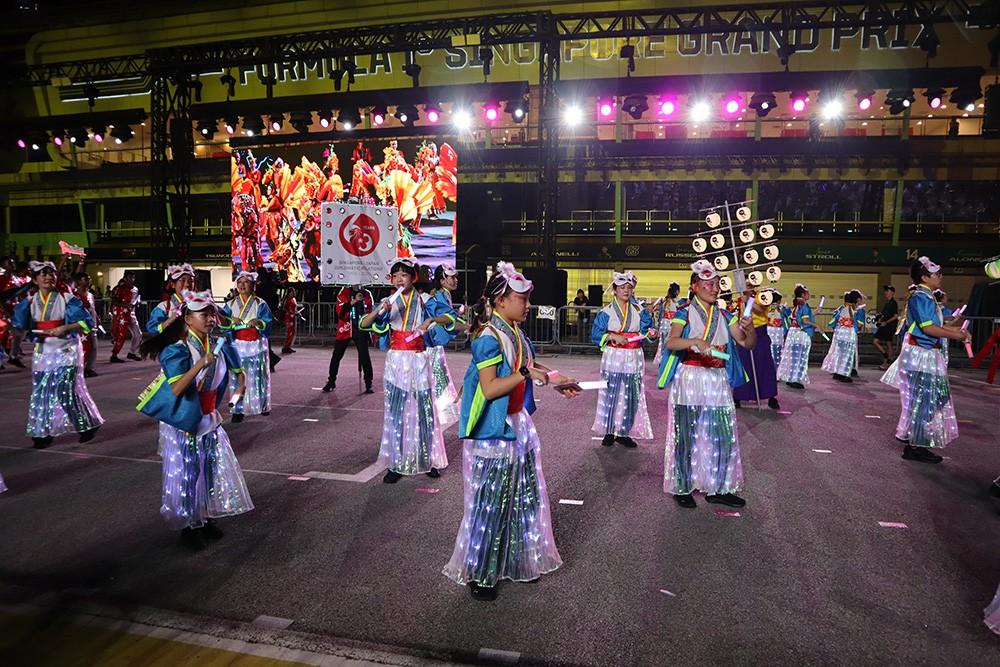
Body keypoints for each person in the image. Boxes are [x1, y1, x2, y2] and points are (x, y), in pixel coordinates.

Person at [443, 260, 578, 601]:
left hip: (518, 424)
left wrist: (560, 380)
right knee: (490, 502)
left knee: (522, 496)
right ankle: (481, 572)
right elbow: (490, 389)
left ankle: (516, 560)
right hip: (495, 431)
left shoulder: (515, 332)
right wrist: (527, 375)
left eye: (528, 298)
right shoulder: (488, 338)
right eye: (522, 298)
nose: (528, 304)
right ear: (500, 301)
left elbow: (530, 365)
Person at [137, 289, 253, 551]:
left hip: (210, 417)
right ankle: (188, 525)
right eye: (204, 315)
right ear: (188, 318)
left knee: (209, 470)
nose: (211, 319)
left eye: (212, 314)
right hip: (185, 421)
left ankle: (205, 516)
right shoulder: (176, 350)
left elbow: (238, 371)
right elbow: (177, 389)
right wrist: (201, 363)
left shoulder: (220, 344)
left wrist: (241, 385)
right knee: (188, 474)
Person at [657, 260, 755, 509]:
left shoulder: (726, 315)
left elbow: (747, 343)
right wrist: (694, 341)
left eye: (717, 284)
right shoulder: (683, 312)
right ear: (695, 286)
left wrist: (751, 327)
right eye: (709, 284)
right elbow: (671, 342)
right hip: (690, 376)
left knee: (723, 435)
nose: (715, 289)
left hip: (717, 377)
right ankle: (682, 486)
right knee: (686, 434)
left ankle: (719, 487)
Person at [360, 258, 451, 483]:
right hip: (397, 360)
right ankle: (397, 463)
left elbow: (450, 317)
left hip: (419, 359)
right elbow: (364, 324)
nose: (400, 279)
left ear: (413, 277)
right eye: (395, 275)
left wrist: (430, 319)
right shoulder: (388, 302)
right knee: (397, 412)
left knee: (425, 412)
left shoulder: (425, 299)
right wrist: (379, 309)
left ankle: (427, 459)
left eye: (404, 274)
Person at [12, 260, 104, 449]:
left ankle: (86, 425)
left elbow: (87, 323)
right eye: (43, 274)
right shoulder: (29, 301)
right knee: (41, 393)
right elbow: (19, 326)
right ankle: (42, 433)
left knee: (65, 391)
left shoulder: (67, 298)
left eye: (51, 273)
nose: (48, 277)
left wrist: (65, 328)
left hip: (67, 349)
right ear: (35, 279)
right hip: (43, 351)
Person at [894, 257, 970, 464]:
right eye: (936, 274)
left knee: (929, 399)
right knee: (927, 400)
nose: (940, 277)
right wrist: (957, 335)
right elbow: (928, 328)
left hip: (924, 354)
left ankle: (914, 438)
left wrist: (956, 331)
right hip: (921, 355)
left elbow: (933, 326)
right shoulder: (922, 297)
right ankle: (916, 446)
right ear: (925, 278)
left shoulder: (925, 296)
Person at [591, 271, 656, 448]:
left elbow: (647, 331)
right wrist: (612, 336)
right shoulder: (606, 312)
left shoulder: (640, 311)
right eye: (622, 287)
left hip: (634, 355)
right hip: (614, 354)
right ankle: (609, 431)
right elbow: (596, 334)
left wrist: (652, 334)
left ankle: (624, 432)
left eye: (629, 287)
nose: (626, 291)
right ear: (614, 290)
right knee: (610, 392)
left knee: (632, 395)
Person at [219, 270, 272, 422]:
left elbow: (267, 322)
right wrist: (231, 321)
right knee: (237, 378)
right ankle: (237, 410)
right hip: (237, 344)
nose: (242, 285)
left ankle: (262, 405)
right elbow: (221, 321)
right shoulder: (230, 304)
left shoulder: (260, 303)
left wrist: (258, 322)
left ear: (253, 285)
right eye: (240, 282)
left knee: (258, 377)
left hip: (256, 344)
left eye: (246, 282)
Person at [423, 264, 468, 429]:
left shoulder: (443, 295)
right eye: (451, 277)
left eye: (455, 277)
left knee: (438, 382)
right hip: (429, 346)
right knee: (436, 382)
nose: (455, 280)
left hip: (433, 346)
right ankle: (430, 418)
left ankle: (433, 417)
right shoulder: (439, 297)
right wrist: (468, 327)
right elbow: (448, 321)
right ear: (442, 280)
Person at [733, 288, 780, 410]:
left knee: (765, 365)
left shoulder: (762, 294)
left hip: (760, 334)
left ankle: (771, 396)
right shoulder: (741, 296)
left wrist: (749, 300)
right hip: (745, 333)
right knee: (743, 365)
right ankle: (738, 396)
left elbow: (761, 310)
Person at [323, 285, 374, 393]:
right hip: (345, 328)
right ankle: (331, 381)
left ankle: (368, 382)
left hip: (360, 329)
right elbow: (340, 313)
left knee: (364, 356)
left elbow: (370, 312)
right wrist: (353, 301)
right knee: (336, 356)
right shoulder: (344, 292)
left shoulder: (367, 294)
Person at [821, 289, 865, 383]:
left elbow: (836, 321)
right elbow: (859, 326)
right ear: (857, 300)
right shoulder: (858, 311)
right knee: (847, 356)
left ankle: (837, 373)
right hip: (849, 334)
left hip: (840, 333)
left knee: (839, 354)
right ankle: (844, 374)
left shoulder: (842, 309)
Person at [776, 283, 814, 389]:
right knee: (800, 358)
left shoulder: (797, 305)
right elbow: (804, 320)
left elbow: (800, 317)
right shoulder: (804, 305)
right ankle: (796, 379)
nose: (809, 294)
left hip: (793, 333)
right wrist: (817, 325)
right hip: (800, 333)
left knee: (793, 358)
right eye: (807, 293)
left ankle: (791, 377)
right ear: (803, 294)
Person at [147, 263, 195, 335]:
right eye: (182, 280)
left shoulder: (201, 305)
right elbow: (152, 330)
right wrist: (169, 321)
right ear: (172, 284)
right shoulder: (164, 307)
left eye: (191, 281)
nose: (187, 284)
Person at [110, 271, 142, 362]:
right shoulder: (119, 288)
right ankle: (114, 355)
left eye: (133, 277)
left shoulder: (135, 289)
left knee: (138, 334)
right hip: (121, 315)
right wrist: (125, 306)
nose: (132, 279)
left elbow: (136, 300)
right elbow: (114, 301)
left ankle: (132, 353)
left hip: (132, 314)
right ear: (125, 278)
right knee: (121, 335)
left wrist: (138, 303)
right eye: (130, 277)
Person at [74, 271, 100, 377]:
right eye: (85, 279)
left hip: (92, 325)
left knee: (94, 347)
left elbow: (92, 309)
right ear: (79, 281)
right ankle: (80, 368)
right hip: (82, 326)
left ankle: (89, 368)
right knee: (84, 347)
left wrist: (97, 318)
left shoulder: (90, 295)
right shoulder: (74, 295)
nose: (88, 281)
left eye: (89, 279)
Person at [652, 282, 684, 368]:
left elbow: (660, 316)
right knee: (674, 345)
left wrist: (658, 328)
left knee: (664, 346)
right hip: (674, 325)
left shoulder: (665, 302)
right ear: (677, 291)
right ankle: (671, 364)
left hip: (664, 325)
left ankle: (663, 363)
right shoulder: (680, 302)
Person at [872, 285, 898, 370]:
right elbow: (883, 314)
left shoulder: (893, 303)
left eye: (888, 291)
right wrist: (879, 319)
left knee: (888, 343)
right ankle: (887, 358)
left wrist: (886, 322)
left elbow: (895, 316)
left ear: (892, 293)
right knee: (879, 341)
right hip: (884, 325)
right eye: (885, 291)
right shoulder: (888, 303)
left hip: (889, 326)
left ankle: (887, 361)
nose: (886, 292)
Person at [765, 288, 786, 367]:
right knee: (777, 351)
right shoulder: (780, 309)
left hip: (770, 330)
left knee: (771, 350)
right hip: (777, 331)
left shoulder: (767, 308)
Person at [280, 286, 299, 354]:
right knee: (289, 332)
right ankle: (285, 347)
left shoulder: (294, 299)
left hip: (293, 317)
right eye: (292, 292)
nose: (293, 293)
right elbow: (284, 308)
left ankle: (289, 346)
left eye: (293, 292)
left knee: (293, 332)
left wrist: (296, 312)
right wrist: (290, 312)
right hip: (288, 317)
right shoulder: (287, 299)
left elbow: (295, 308)